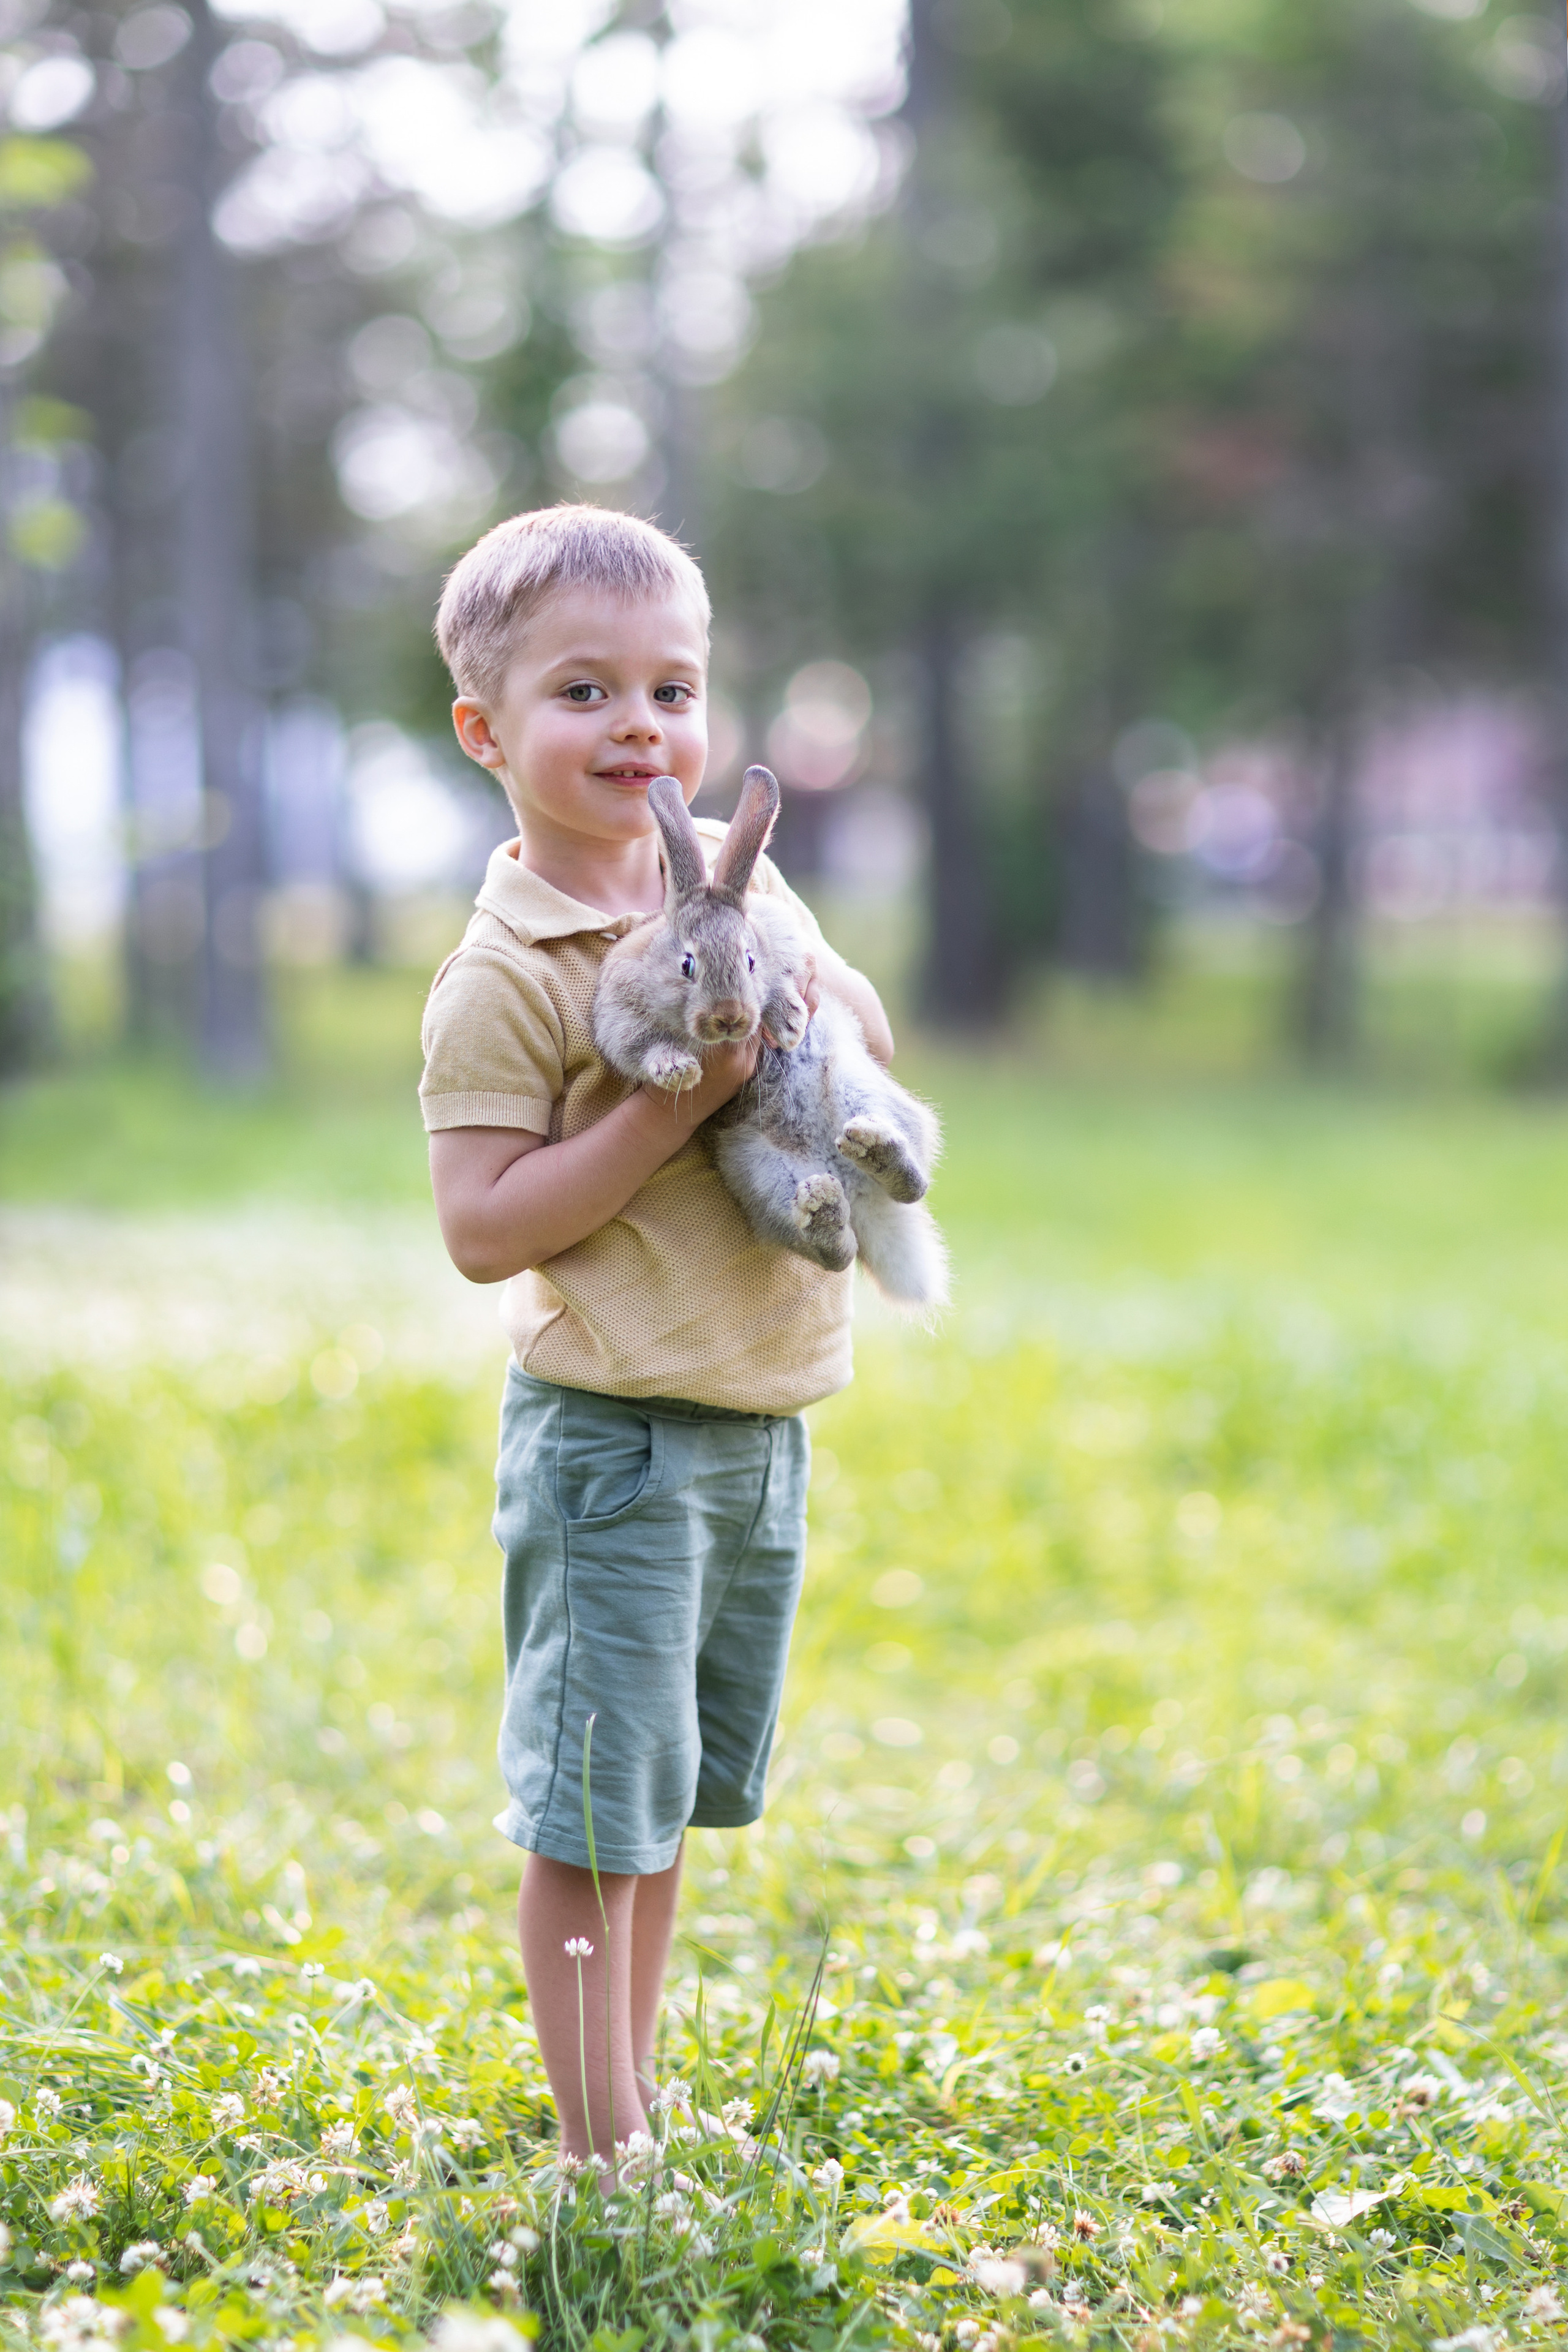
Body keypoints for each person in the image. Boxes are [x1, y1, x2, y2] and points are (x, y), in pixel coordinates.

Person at [420, 503, 895, 2167]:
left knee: (667, 1793)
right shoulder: (509, 971)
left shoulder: (751, 893)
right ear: (488, 729)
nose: (643, 727)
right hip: (615, 1441)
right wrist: (660, 1106)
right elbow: (483, 1229)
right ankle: (599, 2150)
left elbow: (869, 1033)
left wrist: (805, 1004)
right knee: (588, 1809)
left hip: (756, 1425)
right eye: (586, 693)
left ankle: (632, 2094)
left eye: (675, 689)